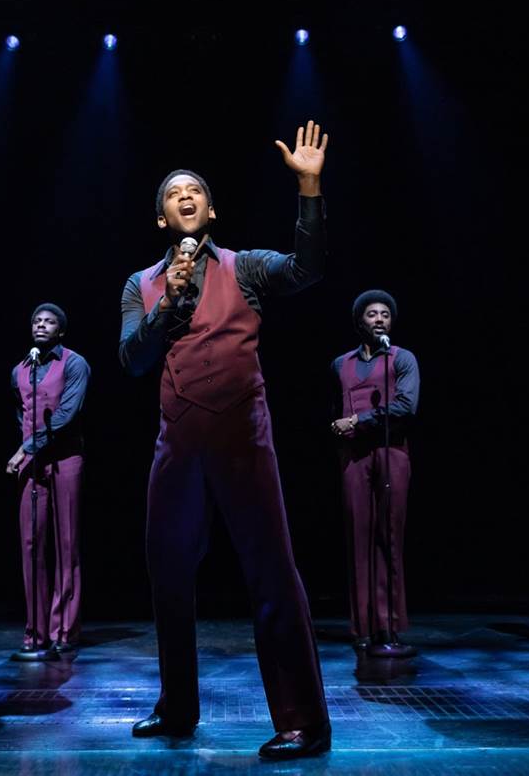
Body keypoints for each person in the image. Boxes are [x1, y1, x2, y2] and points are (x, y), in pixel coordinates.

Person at [119, 121, 331, 760]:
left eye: (195, 191)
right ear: (161, 218)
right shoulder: (141, 284)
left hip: (243, 435)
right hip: (178, 445)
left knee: (271, 572)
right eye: (173, 193)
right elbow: (130, 359)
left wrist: (309, 187)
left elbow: (308, 268)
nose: (184, 197)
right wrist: (168, 303)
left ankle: (303, 722)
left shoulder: (247, 268)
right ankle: (177, 708)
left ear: (210, 210)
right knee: (168, 576)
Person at [330, 290, 419, 658]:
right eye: (372, 314)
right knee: (358, 539)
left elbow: (405, 407)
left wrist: (357, 421)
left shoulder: (403, 359)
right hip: (354, 457)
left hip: (391, 452)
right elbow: (336, 408)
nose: (380, 318)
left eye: (385, 313)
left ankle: (391, 626)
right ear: (359, 321)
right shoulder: (341, 364)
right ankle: (363, 628)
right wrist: (339, 427)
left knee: (389, 536)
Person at [7, 303, 89, 660]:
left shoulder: (73, 363)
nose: (41, 325)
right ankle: (35, 631)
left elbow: (67, 414)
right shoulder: (20, 370)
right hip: (33, 461)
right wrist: (27, 449)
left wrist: (26, 448)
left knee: (66, 543)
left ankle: (64, 631)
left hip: (66, 458)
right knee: (31, 543)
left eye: (49, 321)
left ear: (61, 330)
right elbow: (21, 413)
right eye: (36, 320)